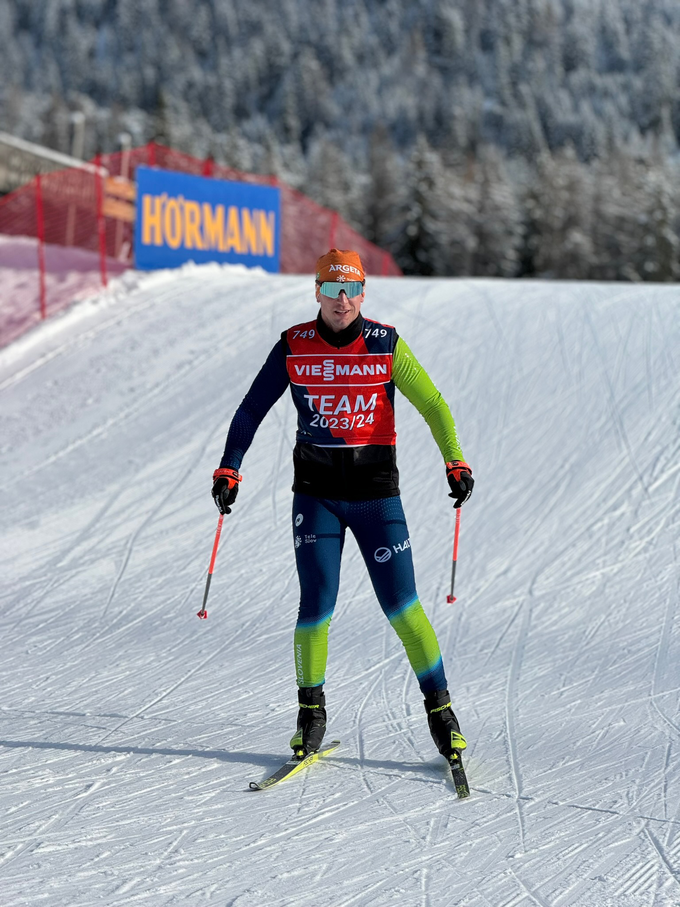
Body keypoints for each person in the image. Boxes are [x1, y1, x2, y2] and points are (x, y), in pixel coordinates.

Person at [212, 249, 474, 765]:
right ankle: (310, 715)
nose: (342, 301)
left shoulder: (385, 343)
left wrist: (455, 460)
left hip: (377, 494)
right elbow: (251, 408)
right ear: (316, 292)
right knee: (317, 605)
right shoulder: (294, 344)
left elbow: (434, 404)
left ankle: (442, 714)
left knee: (403, 607)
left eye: (351, 290)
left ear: (362, 294)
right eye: (331, 290)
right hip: (317, 493)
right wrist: (229, 465)